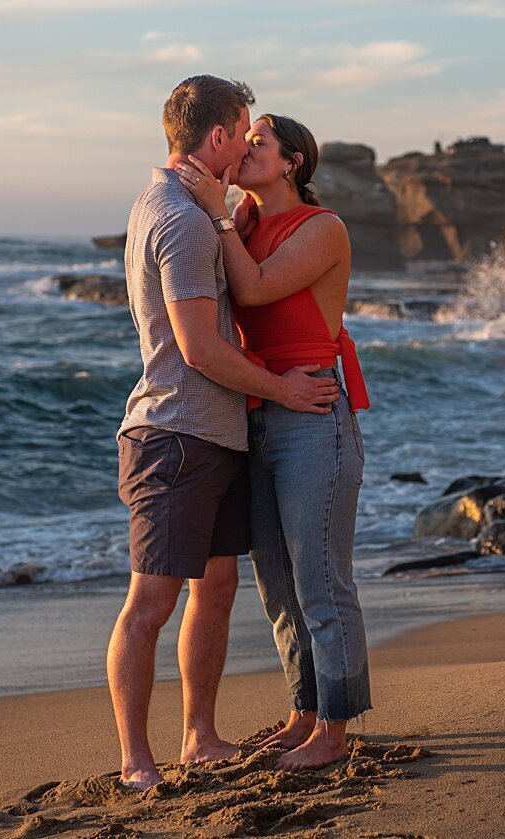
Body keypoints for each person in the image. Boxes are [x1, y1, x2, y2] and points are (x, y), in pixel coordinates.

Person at [110, 76, 341, 791]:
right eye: (244, 130)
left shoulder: (201, 209)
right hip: (175, 433)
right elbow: (200, 348)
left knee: (214, 587)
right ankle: (135, 761)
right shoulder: (180, 216)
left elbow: (259, 291)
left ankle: (200, 735)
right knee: (151, 601)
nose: (246, 143)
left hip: (218, 432)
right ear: (219, 137)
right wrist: (285, 389)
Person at [175, 112, 372, 771]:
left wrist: (220, 211)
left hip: (311, 408)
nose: (245, 148)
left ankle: (335, 730)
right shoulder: (246, 223)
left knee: (320, 577)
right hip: (255, 410)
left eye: (258, 141)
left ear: (291, 162)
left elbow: (255, 289)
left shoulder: (323, 228)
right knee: (277, 585)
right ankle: (304, 710)